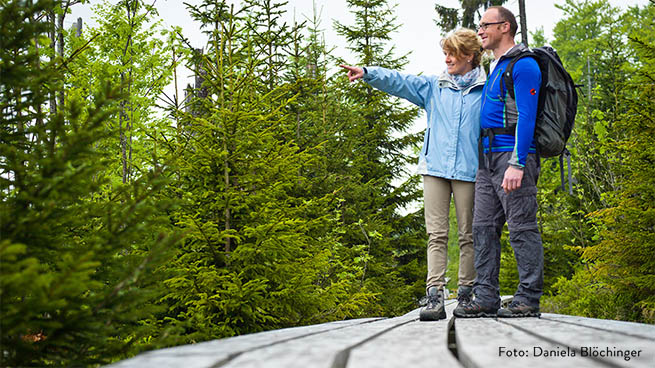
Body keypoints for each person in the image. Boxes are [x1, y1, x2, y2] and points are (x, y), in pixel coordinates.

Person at [340, 28, 485, 321]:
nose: (446, 59)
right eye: (445, 53)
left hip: (470, 170)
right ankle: (435, 296)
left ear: (469, 56)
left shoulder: (487, 89)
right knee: (436, 234)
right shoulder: (434, 86)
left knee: (469, 234)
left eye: (452, 53)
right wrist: (368, 72)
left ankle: (467, 294)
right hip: (434, 169)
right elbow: (399, 81)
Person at [453, 6, 544, 318]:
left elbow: (528, 117)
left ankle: (528, 299)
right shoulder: (496, 66)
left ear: (505, 27)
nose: (480, 31)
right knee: (482, 228)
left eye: (485, 25)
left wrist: (517, 163)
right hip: (487, 160)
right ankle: (486, 296)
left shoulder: (524, 65)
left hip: (512, 156)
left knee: (521, 227)